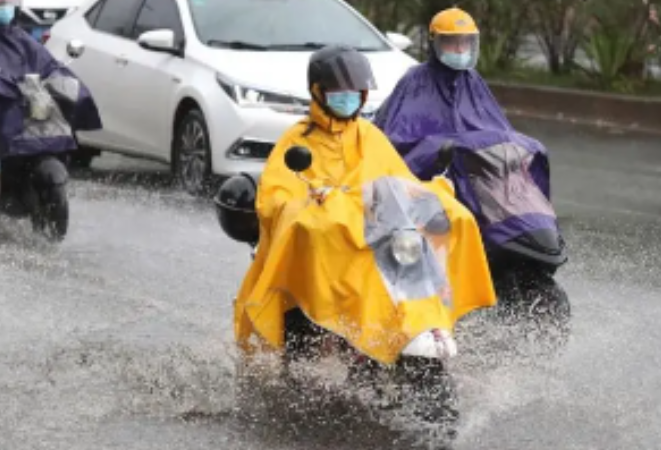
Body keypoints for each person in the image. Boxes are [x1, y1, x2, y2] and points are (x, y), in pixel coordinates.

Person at [231, 44, 496, 366]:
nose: (348, 98)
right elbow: (277, 198)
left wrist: (433, 192)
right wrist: (315, 202)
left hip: (376, 239)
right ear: (318, 92)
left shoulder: (369, 135)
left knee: (448, 218)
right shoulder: (297, 140)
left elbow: (398, 181)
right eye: (338, 92)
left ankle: (429, 317)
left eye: (355, 91)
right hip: (328, 251)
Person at [373, 7, 558, 260]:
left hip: (471, 172)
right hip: (434, 180)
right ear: (434, 43)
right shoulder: (415, 81)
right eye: (452, 43)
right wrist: (440, 149)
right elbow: (399, 144)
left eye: (466, 43)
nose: (460, 50)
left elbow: (498, 131)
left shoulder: (472, 80)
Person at [0, 0, 101, 166]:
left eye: (5, 3)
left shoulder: (22, 40)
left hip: (26, 125)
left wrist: (72, 90)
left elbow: (49, 67)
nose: (4, 8)